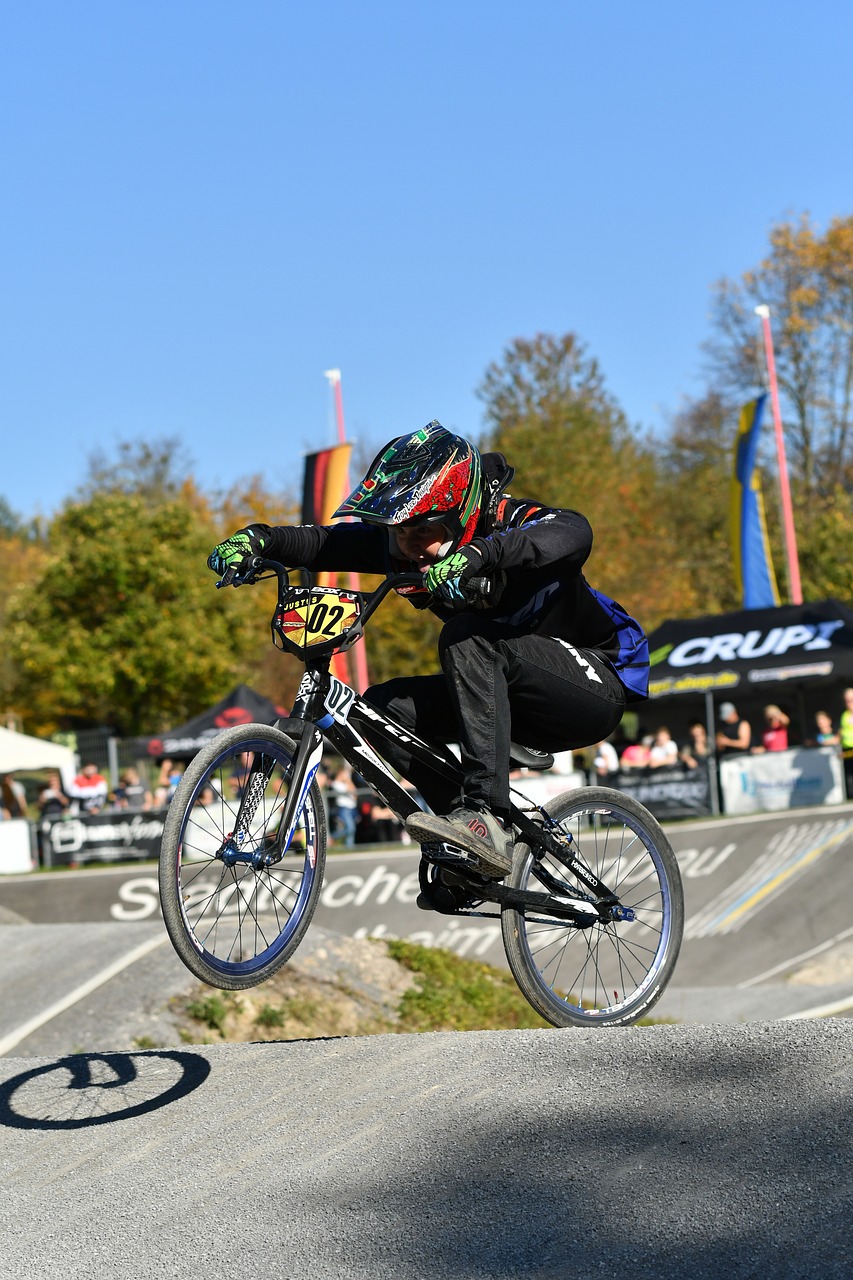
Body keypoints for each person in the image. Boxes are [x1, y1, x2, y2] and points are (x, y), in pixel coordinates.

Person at [208, 421, 648, 881]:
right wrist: (259, 539)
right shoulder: (404, 547)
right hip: (505, 695)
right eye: (400, 532)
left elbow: (575, 530)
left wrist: (480, 556)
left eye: (423, 531)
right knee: (374, 713)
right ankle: (465, 845)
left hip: (596, 683)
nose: (411, 547)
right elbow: (324, 542)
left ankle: (486, 818)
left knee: (466, 633)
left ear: (462, 515)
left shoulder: (504, 521)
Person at [840, 689, 853, 799]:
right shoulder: (845, 715)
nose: (849, 703)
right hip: (848, 749)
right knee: (849, 774)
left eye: (851, 700)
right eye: (847, 701)